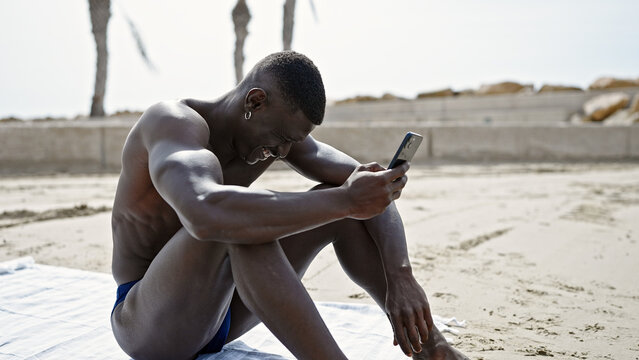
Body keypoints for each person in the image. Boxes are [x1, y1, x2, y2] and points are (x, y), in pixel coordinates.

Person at [110, 51, 468, 360]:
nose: (283, 153)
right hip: (147, 322)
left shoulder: (276, 136)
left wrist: (400, 275)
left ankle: (431, 349)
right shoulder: (173, 124)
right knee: (243, 222)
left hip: (221, 316)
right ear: (254, 102)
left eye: (291, 143)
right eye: (281, 139)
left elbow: (367, 186)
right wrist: (346, 199)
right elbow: (204, 212)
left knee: (335, 205)